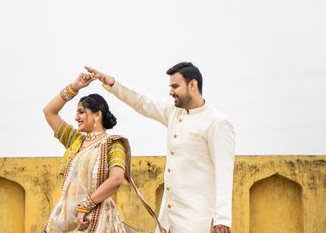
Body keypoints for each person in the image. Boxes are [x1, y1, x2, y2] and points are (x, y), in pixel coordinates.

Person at [85, 62, 235, 233]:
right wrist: (111, 83)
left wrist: (222, 218)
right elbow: (143, 102)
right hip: (168, 217)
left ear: (192, 85)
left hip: (196, 219)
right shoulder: (174, 113)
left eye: (175, 86)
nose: (171, 92)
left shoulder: (217, 123)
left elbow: (224, 172)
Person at [42, 73, 164, 232]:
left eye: (81, 112)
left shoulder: (113, 144)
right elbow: (49, 111)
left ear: (97, 115)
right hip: (65, 220)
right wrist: (74, 88)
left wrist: (86, 205)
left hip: (96, 219)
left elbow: (116, 179)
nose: (76, 117)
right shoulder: (75, 141)